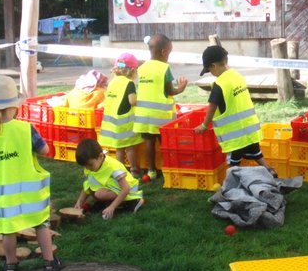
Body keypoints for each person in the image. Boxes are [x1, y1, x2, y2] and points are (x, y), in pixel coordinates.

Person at [0, 75, 64, 271]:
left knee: (8, 230)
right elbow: (45, 150)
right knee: (40, 223)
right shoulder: (25, 129)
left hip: (3, 197)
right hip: (30, 194)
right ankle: (49, 262)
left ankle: (11, 265)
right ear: (15, 105)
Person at [193, 43, 276, 177]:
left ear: (214, 66)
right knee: (256, 153)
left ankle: (230, 186)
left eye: (210, 70)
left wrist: (204, 125)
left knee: (233, 163)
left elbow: (212, 108)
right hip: (250, 129)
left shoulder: (219, 84)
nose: (212, 74)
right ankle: (270, 171)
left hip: (235, 136)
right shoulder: (238, 76)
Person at [132, 33, 187, 183]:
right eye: (169, 52)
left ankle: (151, 171)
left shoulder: (142, 68)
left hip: (143, 115)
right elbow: (169, 91)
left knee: (149, 142)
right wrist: (180, 88)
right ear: (164, 52)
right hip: (161, 116)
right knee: (165, 143)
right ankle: (169, 168)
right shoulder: (164, 68)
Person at [74, 138, 144, 220]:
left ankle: (133, 201)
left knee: (99, 194)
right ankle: (106, 203)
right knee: (94, 190)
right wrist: (79, 202)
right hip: (114, 187)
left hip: (130, 189)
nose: (87, 168)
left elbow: (126, 188)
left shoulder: (112, 167)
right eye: (85, 166)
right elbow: (88, 185)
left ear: (100, 156)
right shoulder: (91, 167)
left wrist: (112, 207)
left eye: (90, 165)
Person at [98, 52, 143, 177]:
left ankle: (119, 171)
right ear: (132, 70)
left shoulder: (113, 81)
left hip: (113, 122)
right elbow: (132, 101)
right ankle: (134, 169)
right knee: (130, 147)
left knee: (119, 149)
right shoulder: (129, 83)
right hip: (125, 122)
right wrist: (142, 101)